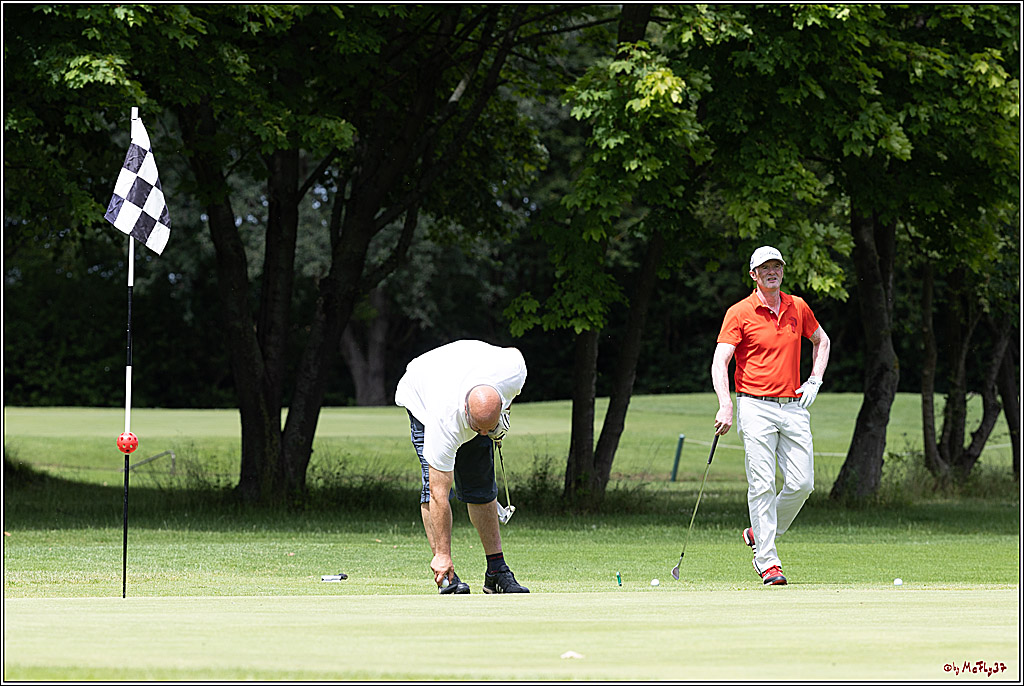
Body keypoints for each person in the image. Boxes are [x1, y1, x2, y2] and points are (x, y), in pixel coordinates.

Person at [710, 246, 831, 586]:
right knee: (762, 484)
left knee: (802, 483)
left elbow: (822, 341)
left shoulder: (798, 306)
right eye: (765, 268)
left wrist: (815, 379)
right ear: (753, 275)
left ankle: (757, 531)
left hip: (793, 406)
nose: (772, 272)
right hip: (754, 405)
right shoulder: (739, 312)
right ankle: (768, 561)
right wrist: (726, 404)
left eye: (776, 266)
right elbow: (721, 361)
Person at [395, 339, 530, 595]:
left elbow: (506, 399)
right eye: (478, 428)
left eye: (488, 429)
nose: (482, 433)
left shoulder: (513, 372)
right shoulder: (444, 421)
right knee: (432, 485)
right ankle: (446, 574)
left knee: (480, 482)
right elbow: (438, 493)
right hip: (422, 387)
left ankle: (496, 572)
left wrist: (498, 423)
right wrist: (444, 553)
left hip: (469, 371)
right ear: (466, 413)